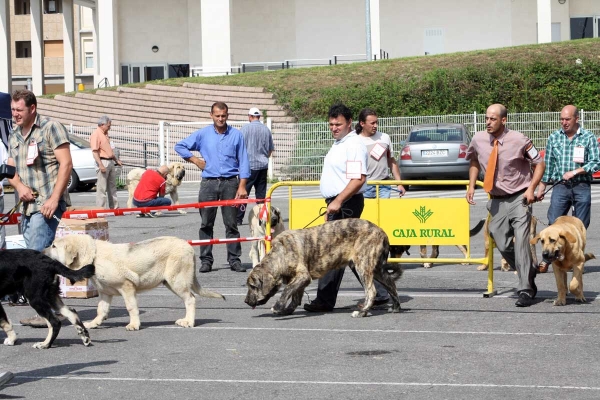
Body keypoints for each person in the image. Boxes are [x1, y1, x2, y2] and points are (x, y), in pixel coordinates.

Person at [303, 103, 389, 313]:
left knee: (336, 253)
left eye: (338, 124)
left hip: (346, 203)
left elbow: (358, 179)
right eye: (331, 124)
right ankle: (379, 292)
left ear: (349, 123)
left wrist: (338, 201)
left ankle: (326, 299)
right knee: (345, 253)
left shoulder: (353, 145)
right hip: (338, 203)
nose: (334, 128)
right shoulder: (340, 143)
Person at [465, 103, 545, 308]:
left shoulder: (519, 139)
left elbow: (539, 163)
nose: (488, 122)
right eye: (486, 118)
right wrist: (472, 185)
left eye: (493, 119)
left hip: (520, 196)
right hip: (496, 198)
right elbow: (474, 161)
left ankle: (526, 288)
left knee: (521, 242)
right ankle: (528, 268)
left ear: (503, 120)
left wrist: (532, 188)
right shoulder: (479, 139)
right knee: (499, 241)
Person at [8, 89, 73, 325]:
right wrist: (19, 186)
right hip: (26, 208)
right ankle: (55, 307)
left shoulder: (50, 128)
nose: (14, 114)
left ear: (32, 108)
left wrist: (55, 199)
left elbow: (66, 164)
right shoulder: (15, 133)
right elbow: (10, 169)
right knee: (36, 258)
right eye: (12, 110)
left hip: (46, 205)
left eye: (19, 110)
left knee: (34, 257)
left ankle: (44, 312)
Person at [174, 101, 250, 273]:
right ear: (211, 115)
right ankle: (206, 260)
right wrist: (195, 160)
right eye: (217, 116)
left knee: (231, 223)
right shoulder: (203, 134)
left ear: (227, 115)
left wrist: (242, 186)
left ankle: (234, 260)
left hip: (231, 182)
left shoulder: (236, 135)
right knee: (206, 223)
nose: (220, 119)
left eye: (223, 116)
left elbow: (244, 161)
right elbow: (180, 146)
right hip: (208, 183)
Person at [537, 105, 600, 272]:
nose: (564, 123)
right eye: (562, 119)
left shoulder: (588, 137)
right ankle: (548, 260)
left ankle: (576, 258)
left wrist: (575, 171)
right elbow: (548, 165)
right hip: (561, 187)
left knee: (580, 225)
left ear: (576, 119)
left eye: (567, 119)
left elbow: (595, 162)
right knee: (553, 223)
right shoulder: (554, 138)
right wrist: (541, 187)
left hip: (581, 185)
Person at [236, 107, 274, 225]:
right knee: (261, 195)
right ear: (259, 117)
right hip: (262, 166)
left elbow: (238, 149)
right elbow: (270, 150)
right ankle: (262, 218)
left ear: (250, 116)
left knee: (243, 192)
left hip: (248, 167)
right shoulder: (266, 130)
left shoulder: (244, 129)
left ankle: (238, 218)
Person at [90, 115, 122, 209]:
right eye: (108, 125)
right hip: (103, 161)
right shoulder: (96, 134)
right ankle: (101, 208)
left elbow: (109, 150)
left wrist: (116, 160)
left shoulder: (105, 134)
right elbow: (95, 151)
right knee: (101, 188)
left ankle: (115, 208)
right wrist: (100, 165)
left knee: (112, 187)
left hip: (110, 161)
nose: (110, 127)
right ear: (102, 124)